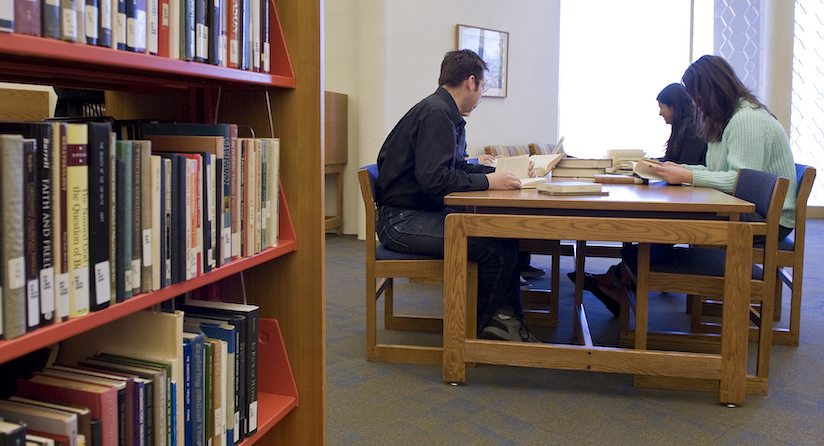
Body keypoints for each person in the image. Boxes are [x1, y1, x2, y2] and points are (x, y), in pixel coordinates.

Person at [574, 55, 797, 317]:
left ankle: (627, 276)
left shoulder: (746, 120)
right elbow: (718, 173)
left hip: (768, 217)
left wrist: (687, 176)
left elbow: (743, 183)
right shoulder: (727, 119)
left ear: (711, 90)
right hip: (750, 208)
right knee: (666, 217)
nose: (694, 102)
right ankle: (625, 276)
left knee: (668, 221)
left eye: (696, 95)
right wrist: (678, 170)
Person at [375, 49, 539, 342]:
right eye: (483, 88)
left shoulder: (443, 110)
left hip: (416, 213)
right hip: (401, 221)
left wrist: (497, 173)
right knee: (499, 251)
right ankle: (471, 334)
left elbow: (452, 166)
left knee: (504, 237)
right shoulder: (437, 114)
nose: (480, 96)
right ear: (471, 81)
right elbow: (436, 180)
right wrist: (489, 183)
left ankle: (505, 320)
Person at [655, 83, 708, 165]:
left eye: (661, 107)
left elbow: (685, 166)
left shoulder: (692, 130)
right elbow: (672, 160)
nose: (660, 113)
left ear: (673, 106)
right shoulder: (680, 127)